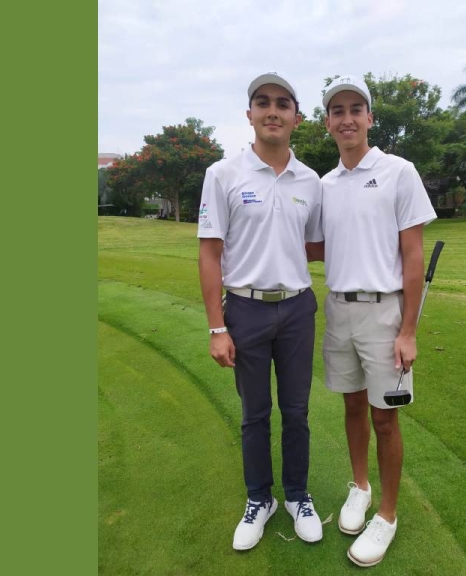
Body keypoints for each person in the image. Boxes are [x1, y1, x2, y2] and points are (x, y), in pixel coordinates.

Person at [308, 75, 437, 567]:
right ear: (327, 122)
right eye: (337, 110)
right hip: (338, 308)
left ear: (369, 117)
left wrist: (409, 330)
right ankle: (359, 487)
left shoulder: (399, 171)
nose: (347, 118)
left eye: (355, 108)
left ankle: (387, 513)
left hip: (385, 314)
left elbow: (412, 255)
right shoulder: (324, 185)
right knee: (352, 407)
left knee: (386, 418)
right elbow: (317, 248)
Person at [197, 72, 324, 551]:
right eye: (263, 102)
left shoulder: (310, 180)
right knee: (255, 414)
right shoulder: (223, 174)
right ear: (249, 114)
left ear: (296, 117)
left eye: (283, 104)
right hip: (245, 311)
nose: (273, 111)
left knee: (296, 410)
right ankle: (259, 499)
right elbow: (210, 253)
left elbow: (313, 245)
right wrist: (216, 327)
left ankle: (296, 495)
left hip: (296, 309)